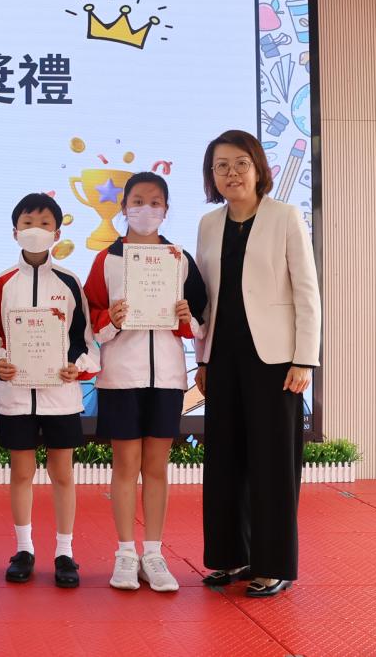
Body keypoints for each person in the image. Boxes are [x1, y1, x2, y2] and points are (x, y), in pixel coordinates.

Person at [195, 129, 320, 598]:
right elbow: (208, 297)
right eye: (221, 166)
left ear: (258, 168)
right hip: (222, 356)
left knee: (272, 464)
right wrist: (203, 358)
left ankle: (273, 565)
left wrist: (305, 359)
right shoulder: (209, 224)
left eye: (241, 163)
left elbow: (307, 292)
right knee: (224, 460)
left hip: (276, 360)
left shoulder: (284, 216)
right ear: (211, 175)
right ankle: (231, 556)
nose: (232, 173)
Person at [83, 172, 207, 592]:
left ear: (166, 210)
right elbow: (89, 319)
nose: (146, 209)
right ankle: (124, 553)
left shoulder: (179, 258)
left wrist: (188, 318)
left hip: (167, 378)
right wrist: (110, 320)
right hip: (121, 377)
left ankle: (153, 554)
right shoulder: (106, 260)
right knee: (125, 467)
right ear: (124, 208)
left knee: (156, 468)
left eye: (155, 202)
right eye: (138, 201)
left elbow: (202, 317)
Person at [0, 193, 97, 588]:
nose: (35, 230)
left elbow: (84, 340)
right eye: (28, 223)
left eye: (44, 223)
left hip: (60, 396)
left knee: (62, 473)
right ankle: (24, 549)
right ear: (14, 230)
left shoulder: (69, 282)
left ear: (57, 232)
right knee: (21, 472)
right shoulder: (1, 284)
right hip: (16, 395)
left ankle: (65, 552)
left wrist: (77, 367)